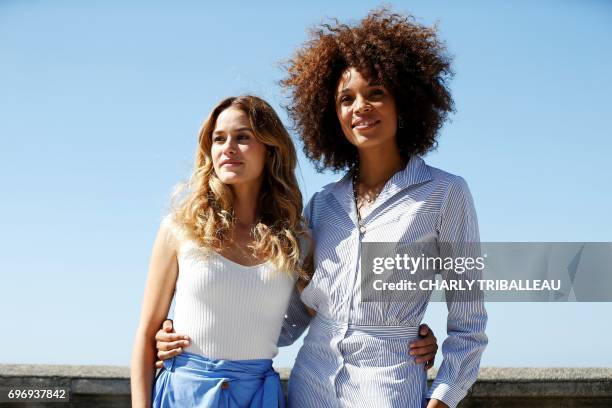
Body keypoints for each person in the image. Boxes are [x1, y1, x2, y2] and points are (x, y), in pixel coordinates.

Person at [278, 9, 488, 408]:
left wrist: (441, 399)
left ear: (403, 101)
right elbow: (293, 314)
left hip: (389, 390)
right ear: (330, 114)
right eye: (346, 98)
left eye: (375, 92)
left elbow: (469, 324)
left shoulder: (446, 193)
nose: (360, 107)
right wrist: (197, 338)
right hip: (309, 387)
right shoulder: (322, 205)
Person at [131, 95, 312, 407]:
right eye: (218, 139)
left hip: (259, 396)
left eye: (242, 137)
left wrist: (411, 333)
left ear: (270, 149)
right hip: (184, 394)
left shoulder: (296, 239)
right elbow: (146, 335)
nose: (228, 148)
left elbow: (333, 310)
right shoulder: (180, 228)